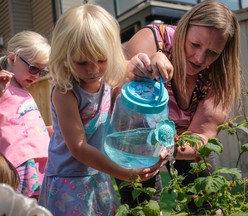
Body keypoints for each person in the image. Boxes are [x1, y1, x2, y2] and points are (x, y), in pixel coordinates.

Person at [38, 4, 166, 215]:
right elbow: (78, 148)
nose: (93, 69)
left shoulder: (110, 76)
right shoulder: (64, 92)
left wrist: (156, 58)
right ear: (64, 56)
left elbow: (139, 66)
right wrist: (125, 174)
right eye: (82, 62)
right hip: (68, 180)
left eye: (101, 59)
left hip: (98, 174)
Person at [117, 0, 241, 212]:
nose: (200, 58)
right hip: (137, 135)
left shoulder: (220, 75)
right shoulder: (152, 40)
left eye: (213, 53)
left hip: (183, 141)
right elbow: (117, 93)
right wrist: (142, 67)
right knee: (142, 204)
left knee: (205, 200)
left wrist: (169, 148)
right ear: (183, 29)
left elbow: (202, 138)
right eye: (195, 45)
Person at [0, 31, 51, 199]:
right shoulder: (3, 85)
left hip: (42, 160)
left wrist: (47, 131)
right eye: (33, 68)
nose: (36, 75)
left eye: (42, 72)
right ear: (12, 59)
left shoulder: (24, 91)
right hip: (19, 163)